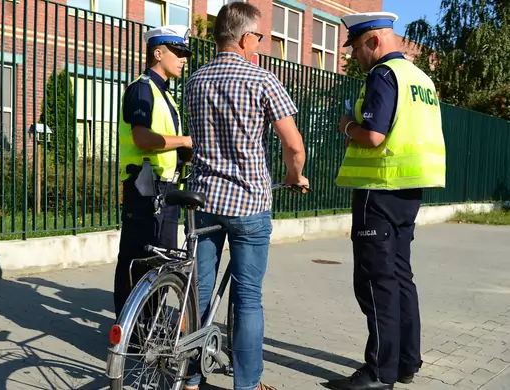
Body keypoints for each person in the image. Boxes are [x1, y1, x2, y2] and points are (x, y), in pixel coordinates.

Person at [183, 3, 309, 390]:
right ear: (243, 37)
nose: (260, 44)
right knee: (248, 298)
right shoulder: (262, 80)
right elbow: (294, 145)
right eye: (259, 37)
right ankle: (248, 384)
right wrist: (295, 176)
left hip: (203, 200)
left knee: (198, 293)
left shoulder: (195, 81)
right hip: (248, 204)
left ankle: (189, 379)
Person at [327, 11, 446, 390]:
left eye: (357, 48)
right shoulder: (421, 79)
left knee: (376, 282)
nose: (355, 57)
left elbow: (375, 135)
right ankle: (406, 362)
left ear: (374, 42)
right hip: (409, 190)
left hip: (378, 191)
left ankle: (380, 372)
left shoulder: (384, 75)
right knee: (400, 276)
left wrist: (347, 124)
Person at [114, 25, 193, 321]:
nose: (183, 59)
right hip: (145, 188)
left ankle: (149, 329)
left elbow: (163, 141)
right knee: (137, 260)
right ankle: (131, 333)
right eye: (178, 52)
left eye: (185, 53)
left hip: (164, 189)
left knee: (159, 262)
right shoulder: (142, 88)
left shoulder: (165, 95)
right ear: (157, 53)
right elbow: (142, 138)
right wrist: (184, 141)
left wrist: (185, 153)